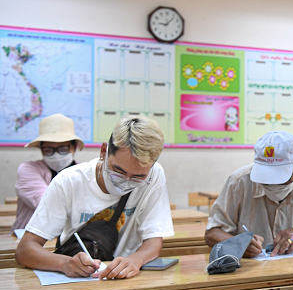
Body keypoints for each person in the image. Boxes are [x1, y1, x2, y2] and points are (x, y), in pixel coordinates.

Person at [15, 115, 174, 280]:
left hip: (127, 279)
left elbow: (154, 241)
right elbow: (25, 250)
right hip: (80, 279)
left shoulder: (154, 175)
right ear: (104, 151)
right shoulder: (69, 181)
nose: (126, 183)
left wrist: (136, 259)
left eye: (138, 177)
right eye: (118, 171)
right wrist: (65, 263)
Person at [205, 131, 293, 257]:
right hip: (251, 270)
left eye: (281, 177)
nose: (273, 184)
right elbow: (212, 233)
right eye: (266, 177)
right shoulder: (239, 183)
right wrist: (238, 243)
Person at [11, 114, 84, 234]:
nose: (56, 155)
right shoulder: (28, 169)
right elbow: (46, 204)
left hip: (71, 239)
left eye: (63, 149)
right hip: (30, 238)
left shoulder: (83, 171)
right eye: (48, 150)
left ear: (74, 147)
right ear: (41, 150)